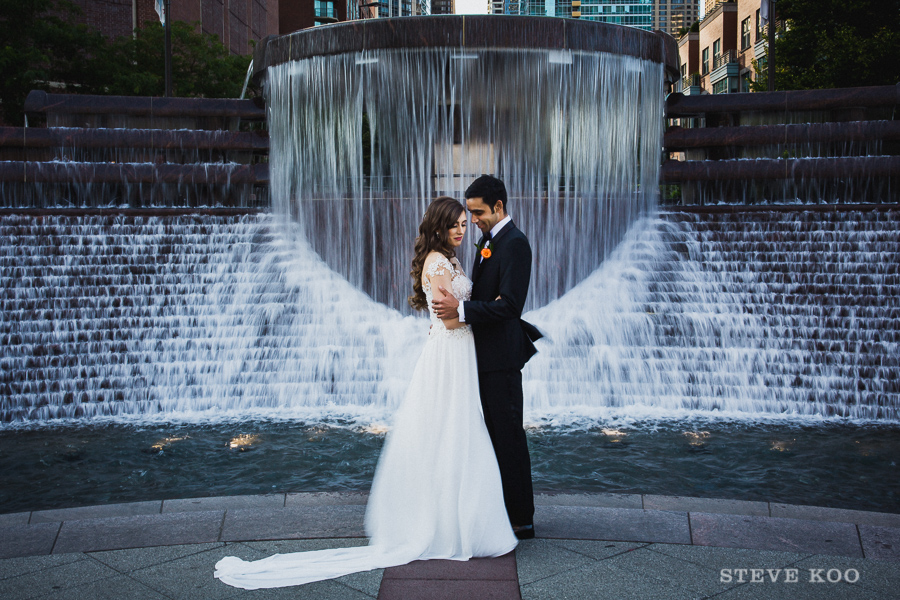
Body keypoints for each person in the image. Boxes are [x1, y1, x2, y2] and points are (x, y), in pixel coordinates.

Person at [214, 196, 517, 590]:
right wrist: (485, 311)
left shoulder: (452, 260)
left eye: (465, 223)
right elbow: (449, 315)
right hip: (450, 352)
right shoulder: (439, 264)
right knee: (453, 429)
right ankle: (449, 526)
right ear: (440, 227)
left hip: (453, 352)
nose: (462, 230)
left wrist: (472, 312)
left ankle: (461, 521)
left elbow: (451, 312)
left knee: (456, 430)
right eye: (456, 224)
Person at [432, 175, 540, 540]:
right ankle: (498, 510)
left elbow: (509, 306)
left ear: (498, 207)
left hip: (502, 359)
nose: (472, 220)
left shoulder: (516, 244)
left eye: (477, 213)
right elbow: (489, 299)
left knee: (509, 436)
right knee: (491, 436)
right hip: (481, 356)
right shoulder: (490, 242)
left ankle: (522, 519)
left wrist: (461, 309)